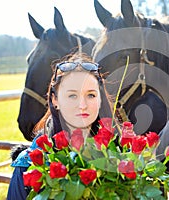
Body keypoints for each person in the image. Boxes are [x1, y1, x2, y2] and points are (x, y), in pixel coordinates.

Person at [7, 53, 112, 200]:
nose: (82, 105)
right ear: (55, 99)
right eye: (72, 96)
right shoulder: (29, 166)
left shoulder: (117, 158)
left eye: (91, 95)